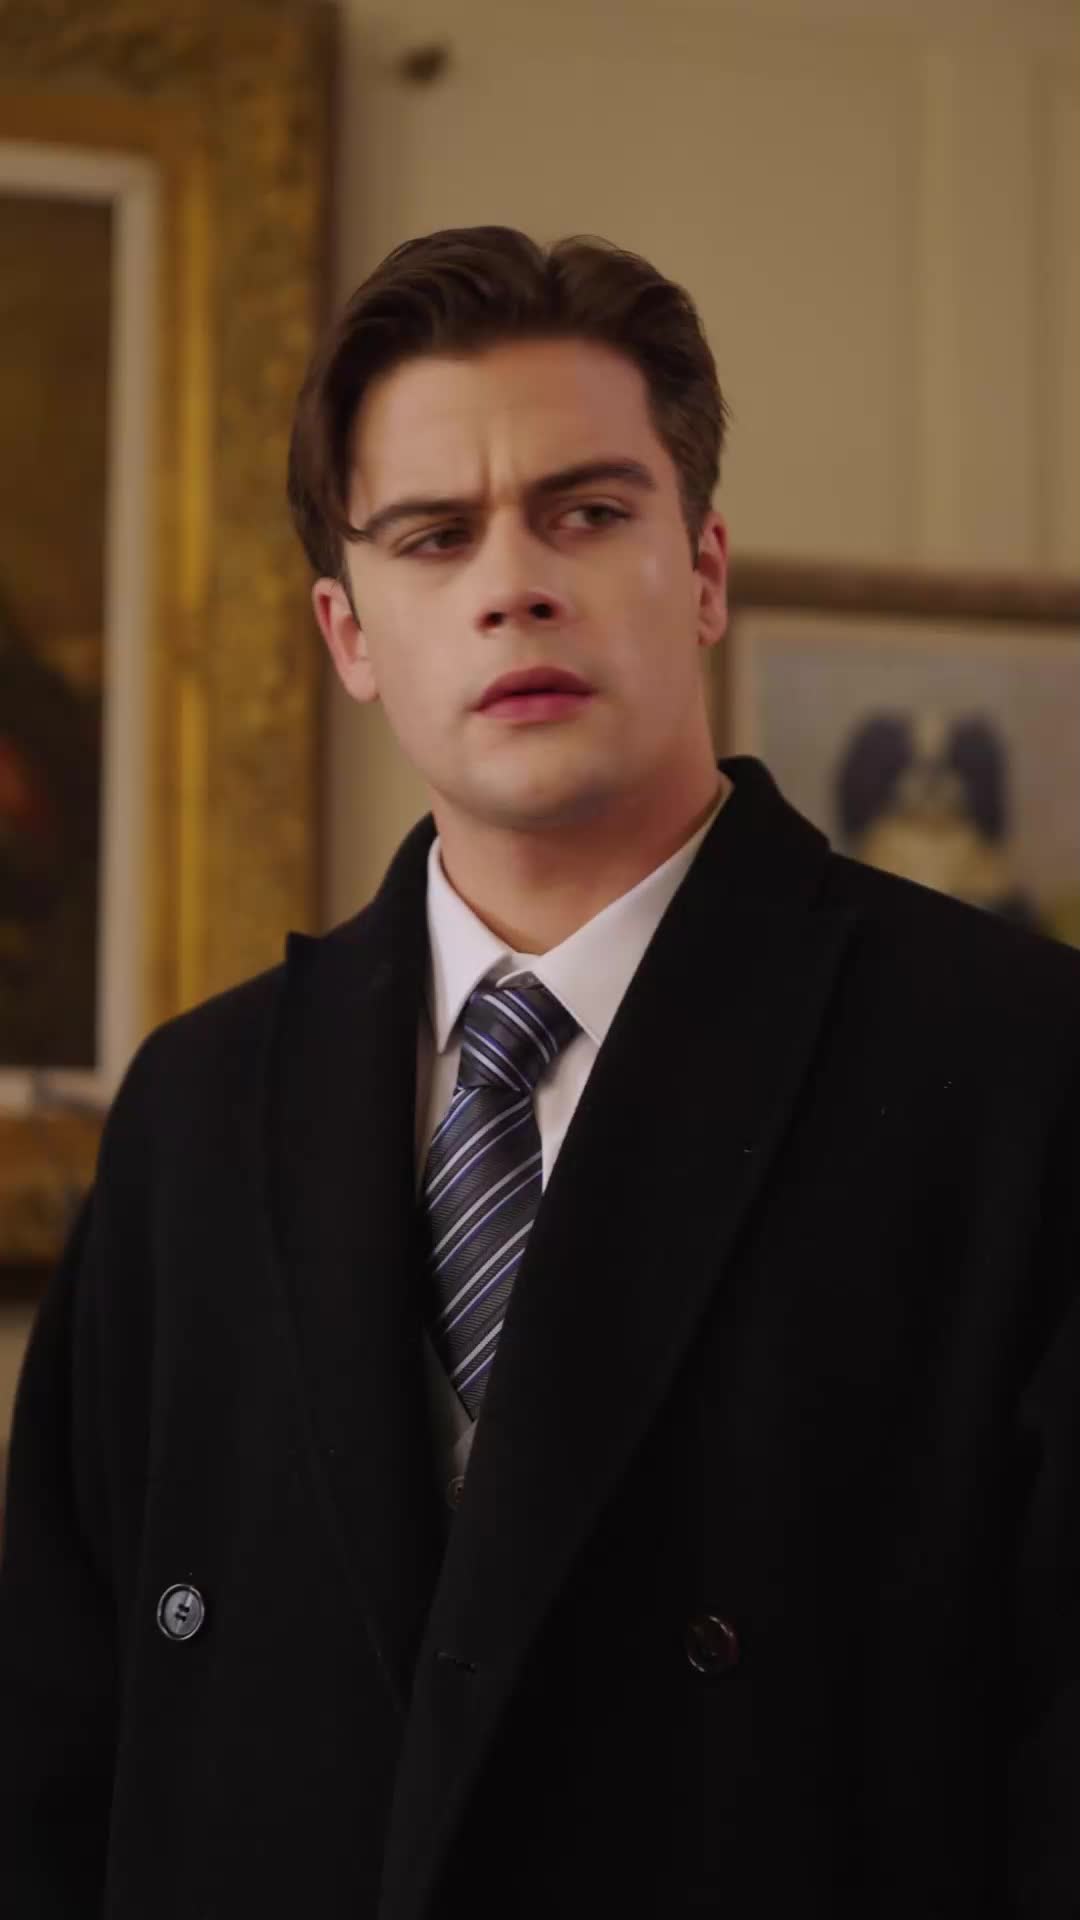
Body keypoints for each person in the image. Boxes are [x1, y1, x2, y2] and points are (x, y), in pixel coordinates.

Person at [1, 226, 1078, 1920]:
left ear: (703, 569)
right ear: (349, 631)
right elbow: (55, 1753)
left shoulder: (1018, 1064)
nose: (515, 583)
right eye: (436, 536)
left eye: (586, 512)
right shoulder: (194, 1110)